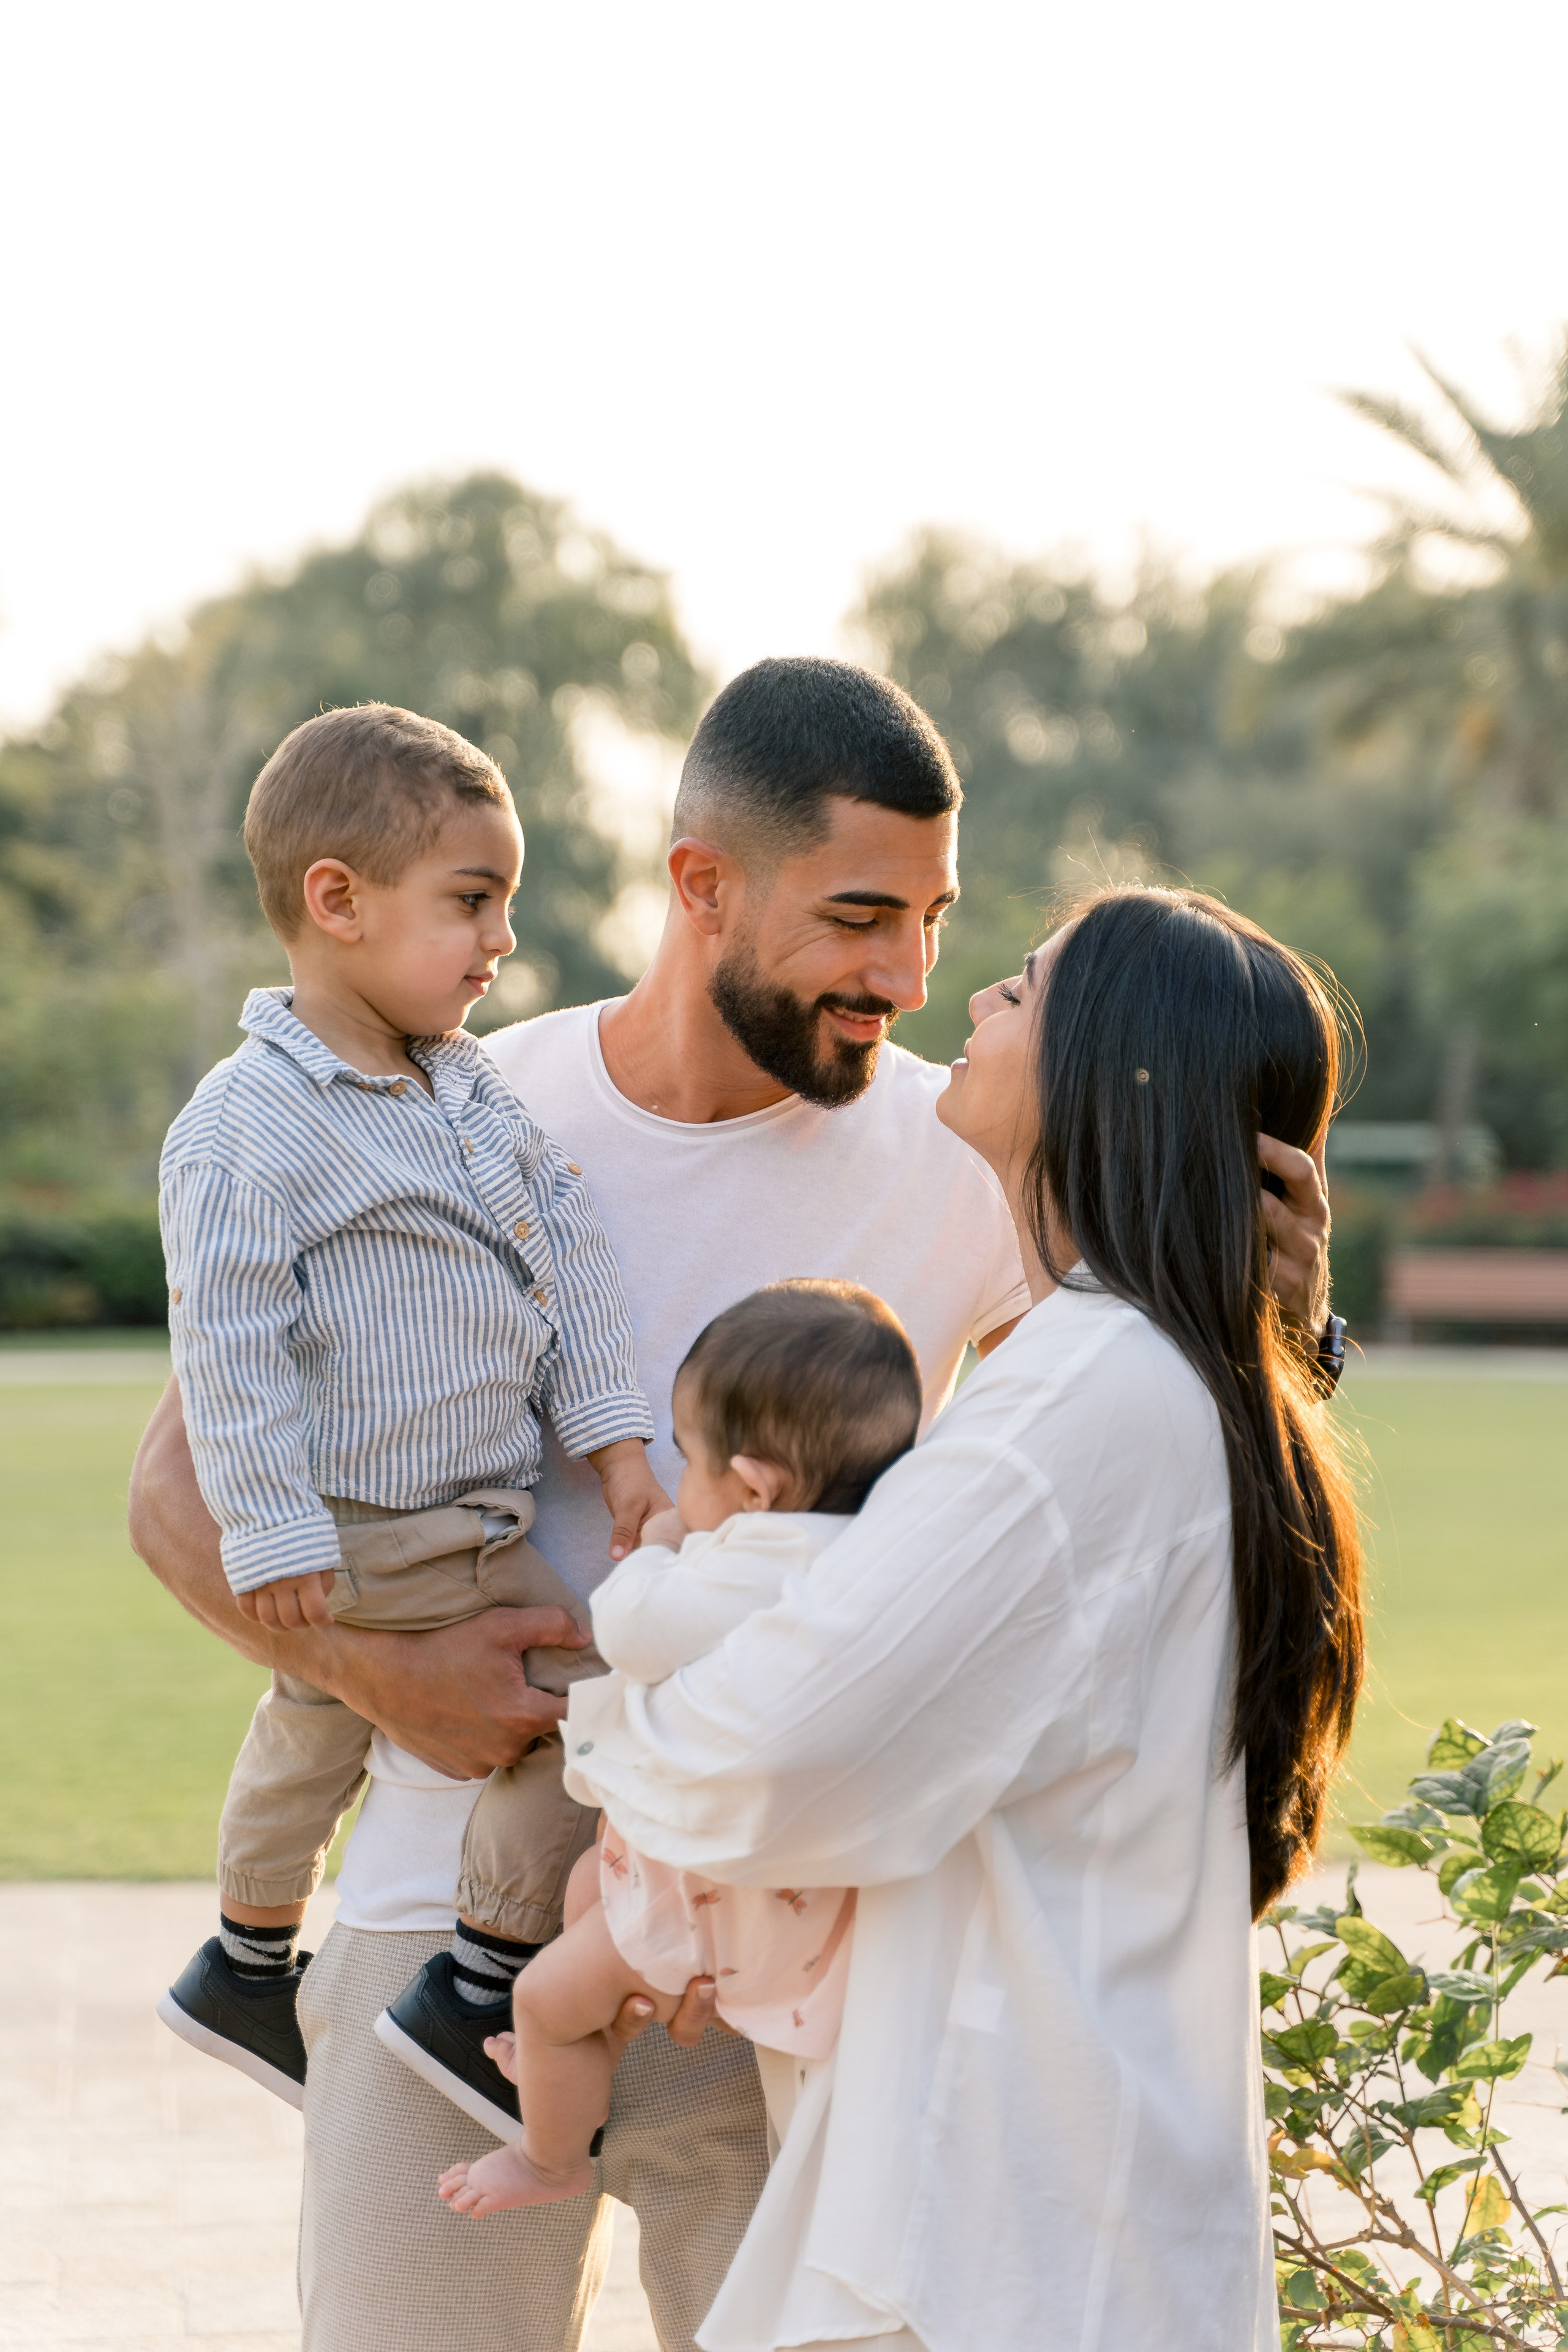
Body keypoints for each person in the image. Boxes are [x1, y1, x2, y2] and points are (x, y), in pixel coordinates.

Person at [127, 658, 1333, 2352]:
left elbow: (1116, 1452)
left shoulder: (972, 1149)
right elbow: (178, 1488)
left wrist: (1292, 1324)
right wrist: (383, 1681)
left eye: (933, 923)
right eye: (858, 917)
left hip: (763, 1956)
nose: (904, 979)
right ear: (701, 884)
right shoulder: (465, 1107)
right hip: (431, 1928)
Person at [562, 884, 1366, 2352]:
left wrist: (608, 1722)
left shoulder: (1086, 1392)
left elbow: (783, 1757)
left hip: (993, 2228)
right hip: (1042, 2206)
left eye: (1018, 988)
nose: (964, 1007)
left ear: (1111, 1075)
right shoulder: (1145, 1375)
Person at [156, 704, 665, 2113]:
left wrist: (616, 1448)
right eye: (471, 901)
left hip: (476, 1510)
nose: (501, 939)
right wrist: (270, 1538)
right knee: (581, 1719)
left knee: (314, 1717)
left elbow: (567, 1258)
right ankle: (482, 1982)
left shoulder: (470, 1092)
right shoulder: (246, 1126)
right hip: (362, 1525)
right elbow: (229, 1345)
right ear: (338, 900)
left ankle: (246, 1963)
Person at [439, 1280, 921, 2218]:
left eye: (688, 1460)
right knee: (586, 1897)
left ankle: (551, 2156)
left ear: (754, 1486)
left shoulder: (756, 1560)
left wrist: (658, 1546)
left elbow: (630, 1631)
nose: (680, 1484)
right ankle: (588, 2044)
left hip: (704, 1897)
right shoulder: (868, 1547)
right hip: (727, 1880)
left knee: (540, 2000)